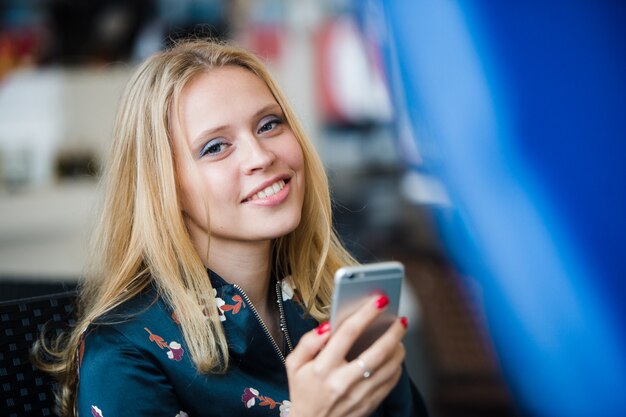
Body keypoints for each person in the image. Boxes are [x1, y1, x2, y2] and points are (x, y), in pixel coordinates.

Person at [35, 39, 428, 417]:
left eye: (269, 124)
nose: (261, 156)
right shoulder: (123, 357)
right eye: (215, 147)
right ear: (163, 189)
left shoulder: (328, 306)